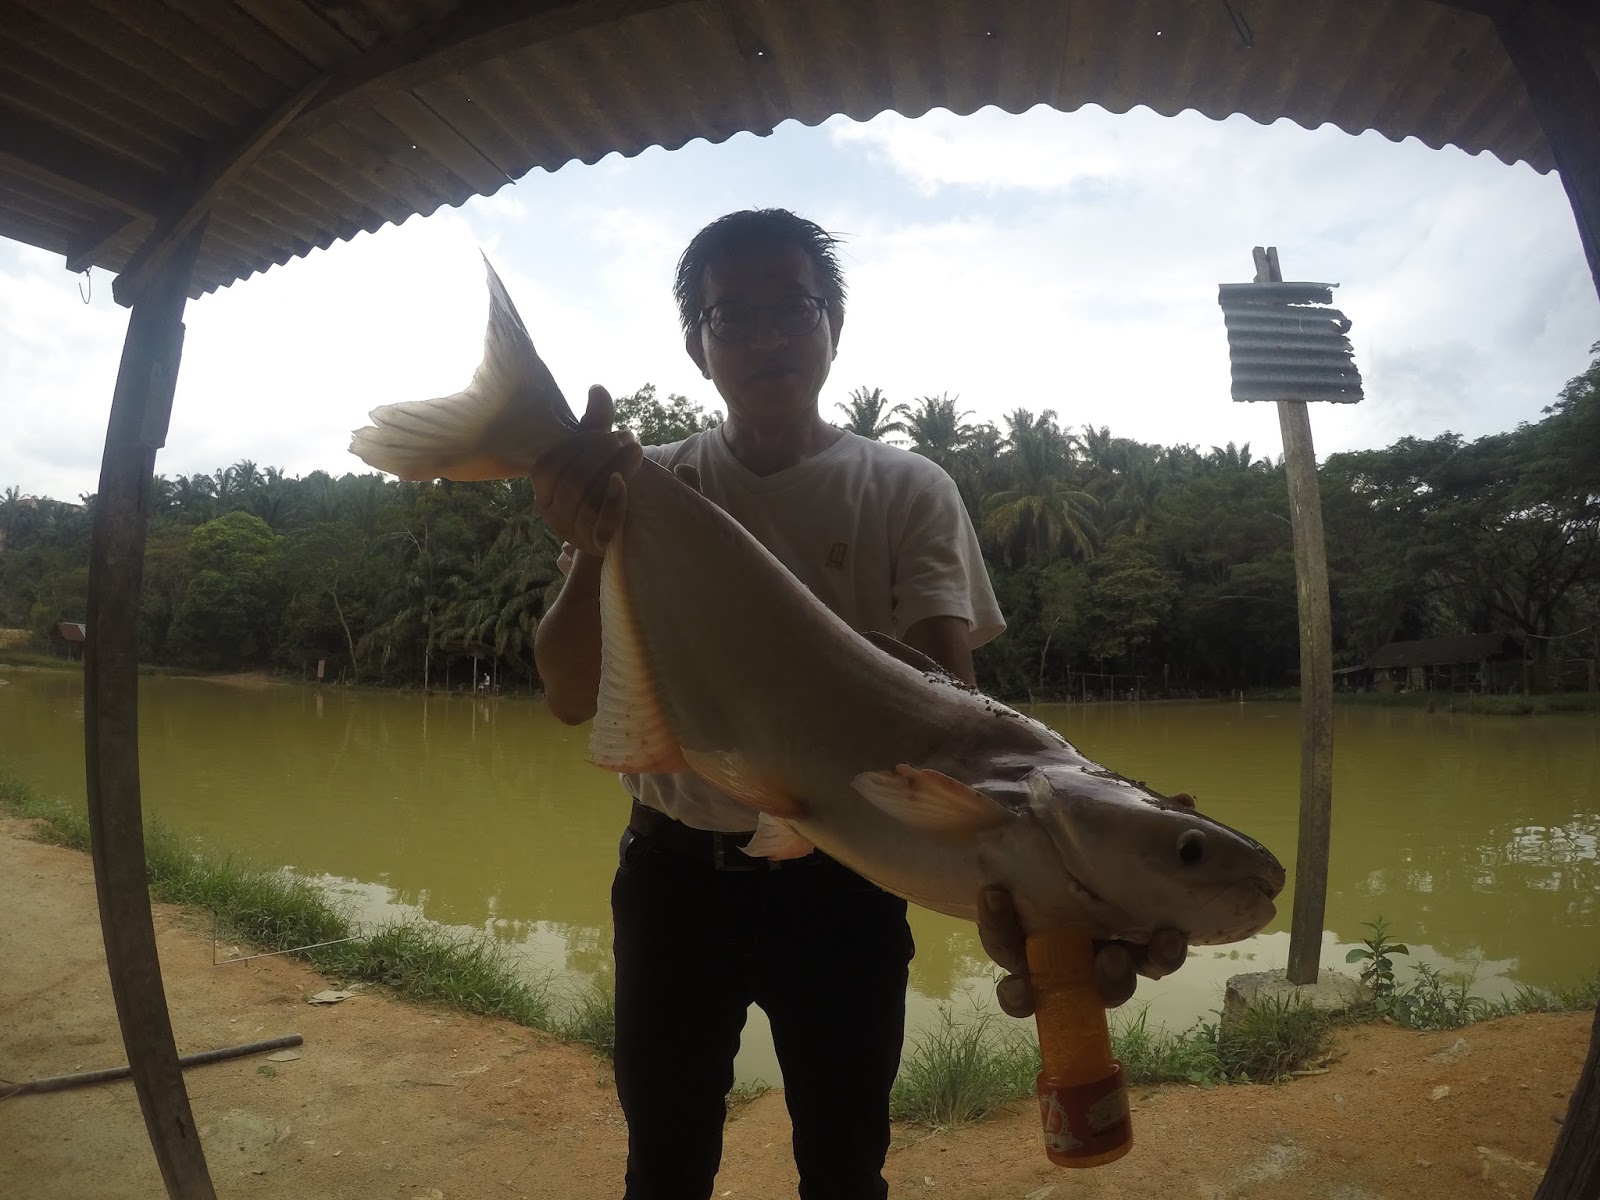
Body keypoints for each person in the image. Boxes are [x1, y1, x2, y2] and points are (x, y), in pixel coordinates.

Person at [531, 209, 1188, 1200]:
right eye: (730, 315)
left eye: (790, 307)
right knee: (663, 1160)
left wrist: (1082, 862)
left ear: (833, 324)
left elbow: (957, 723)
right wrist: (588, 541)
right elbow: (569, 693)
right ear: (694, 344)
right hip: (673, 880)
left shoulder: (904, 487)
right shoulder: (644, 483)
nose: (763, 336)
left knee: (843, 1164)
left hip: (846, 886)